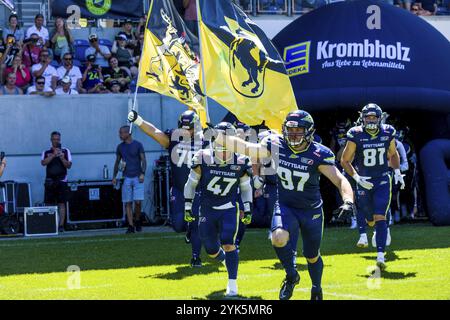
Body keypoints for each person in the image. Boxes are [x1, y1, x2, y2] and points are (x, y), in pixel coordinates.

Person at [211, 110, 355, 300]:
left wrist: (348, 201)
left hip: (310, 210)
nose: (294, 134)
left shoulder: (319, 153)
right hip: (286, 205)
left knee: (312, 255)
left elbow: (339, 180)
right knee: (278, 238)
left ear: (309, 131)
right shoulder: (276, 144)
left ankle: (316, 288)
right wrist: (219, 137)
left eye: (298, 130)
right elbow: (248, 148)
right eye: (290, 130)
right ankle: (291, 275)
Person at [128, 109, 205, 267]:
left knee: (196, 221)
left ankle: (196, 257)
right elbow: (154, 132)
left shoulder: (205, 140)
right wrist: (138, 120)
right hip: (178, 188)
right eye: (183, 128)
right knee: (178, 226)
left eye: (189, 128)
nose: (186, 131)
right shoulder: (174, 139)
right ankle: (189, 230)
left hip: (198, 189)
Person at [185, 122, 253, 297]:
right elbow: (191, 183)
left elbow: (246, 188)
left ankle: (232, 283)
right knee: (211, 250)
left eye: (227, 143)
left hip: (229, 208)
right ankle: (224, 259)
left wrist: (248, 207)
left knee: (228, 242)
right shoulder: (202, 157)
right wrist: (187, 205)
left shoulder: (241, 161)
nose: (224, 148)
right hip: (207, 208)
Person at [341, 103, 405, 271]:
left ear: (379, 118)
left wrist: (397, 172)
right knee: (370, 220)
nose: (370, 120)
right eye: (367, 117)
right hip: (364, 179)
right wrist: (357, 177)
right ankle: (371, 232)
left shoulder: (387, 132)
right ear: (362, 118)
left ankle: (381, 256)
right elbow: (345, 160)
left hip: (382, 179)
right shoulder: (355, 134)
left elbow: (393, 153)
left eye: (373, 117)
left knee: (380, 216)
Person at [112, 126, 147, 234]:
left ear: (128, 133)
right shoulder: (120, 147)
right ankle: (131, 225)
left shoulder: (138, 145)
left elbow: (143, 160)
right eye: (119, 133)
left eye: (121, 133)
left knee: (137, 202)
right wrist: (114, 176)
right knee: (127, 202)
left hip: (137, 176)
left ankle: (137, 220)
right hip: (126, 177)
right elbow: (117, 162)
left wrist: (142, 174)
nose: (120, 135)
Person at [41, 131, 72, 232]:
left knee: (61, 203)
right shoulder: (46, 152)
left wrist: (62, 157)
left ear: (60, 140)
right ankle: (50, 225)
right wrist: (53, 155)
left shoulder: (66, 151)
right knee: (49, 203)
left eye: (58, 139)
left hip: (62, 180)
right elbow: (43, 163)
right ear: (51, 140)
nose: (56, 141)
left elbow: (69, 165)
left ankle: (61, 226)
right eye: (54, 139)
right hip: (50, 181)